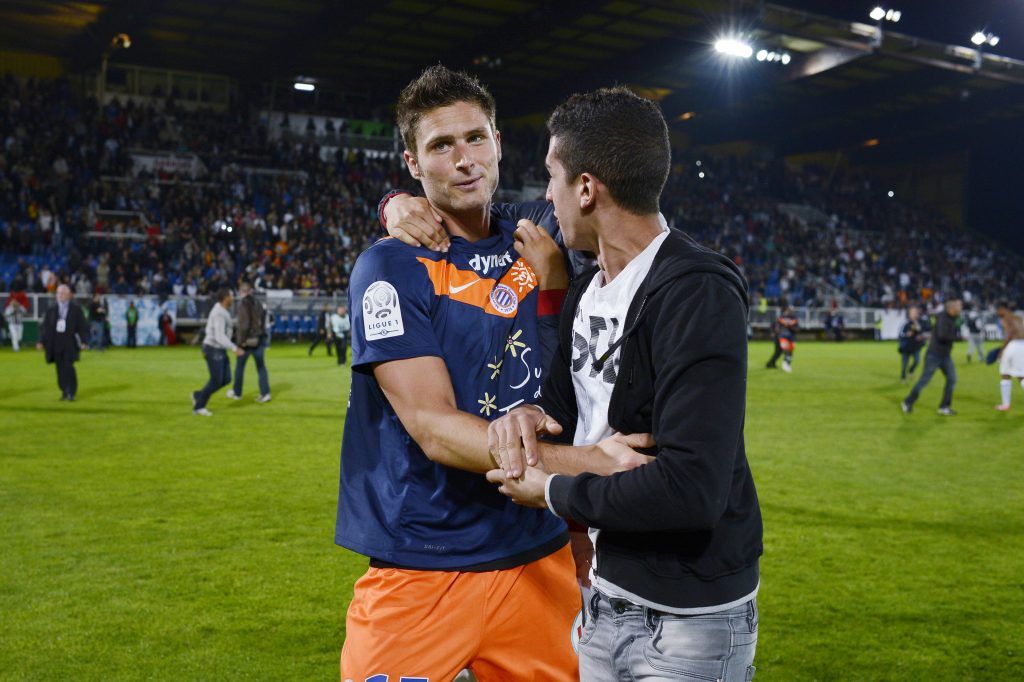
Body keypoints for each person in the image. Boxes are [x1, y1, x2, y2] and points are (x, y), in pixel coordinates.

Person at [336, 65, 643, 682]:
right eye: (440, 146)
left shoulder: (540, 230)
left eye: (476, 138)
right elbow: (432, 427)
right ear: (413, 164)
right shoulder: (391, 268)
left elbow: (626, 197)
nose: (464, 159)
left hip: (540, 554)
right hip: (424, 562)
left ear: (499, 144)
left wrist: (555, 281)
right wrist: (591, 464)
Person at [485, 86, 761, 682]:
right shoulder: (587, 289)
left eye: (553, 177)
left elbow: (692, 489)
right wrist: (528, 416)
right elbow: (560, 408)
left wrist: (553, 490)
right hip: (601, 595)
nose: (546, 197)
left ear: (586, 188)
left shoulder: (697, 290)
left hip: (686, 616)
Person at [902, 296, 962, 415]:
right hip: (934, 355)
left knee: (952, 379)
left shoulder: (952, 317)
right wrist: (957, 337)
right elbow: (942, 335)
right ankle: (907, 402)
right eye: (959, 306)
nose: (960, 308)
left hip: (945, 355)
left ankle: (944, 407)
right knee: (924, 381)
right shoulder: (943, 318)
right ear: (952, 308)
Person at [191, 288, 244, 416]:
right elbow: (219, 336)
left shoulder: (222, 310)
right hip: (213, 348)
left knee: (226, 379)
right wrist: (234, 348)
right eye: (231, 296)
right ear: (225, 298)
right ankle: (199, 407)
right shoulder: (219, 313)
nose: (233, 298)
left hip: (218, 348)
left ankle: (198, 395)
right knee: (216, 380)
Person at [37, 284, 89, 400]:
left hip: (69, 343)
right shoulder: (51, 310)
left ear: (69, 295)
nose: (60, 295)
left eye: (63, 293)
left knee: (69, 367)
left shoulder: (76, 309)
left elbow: (82, 326)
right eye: (59, 293)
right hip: (55, 344)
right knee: (60, 369)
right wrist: (41, 342)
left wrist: (84, 341)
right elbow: (45, 328)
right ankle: (64, 391)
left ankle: (71, 392)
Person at [227, 282, 271, 403]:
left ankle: (237, 393)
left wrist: (240, 342)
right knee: (261, 367)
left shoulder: (242, 304)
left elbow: (244, 325)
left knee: (240, 367)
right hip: (259, 339)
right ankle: (265, 393)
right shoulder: (258, 303)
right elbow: (263, 320)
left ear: (241, 292)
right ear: (250, 291)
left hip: (247, 341)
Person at [993, 302, 1024, 411]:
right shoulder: (1018, 318)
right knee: (1021, 375)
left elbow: (1009, 333)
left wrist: (1002, 350)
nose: (997, 312)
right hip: (1022, 345)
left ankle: (1005, 405)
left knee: (1005, 373)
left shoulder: (1006, 318)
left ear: (1002, 309)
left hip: (1013, 345)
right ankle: (1005, 405)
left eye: (998, 310)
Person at [898, 305, 925, 383]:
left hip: (915, 346)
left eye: (915, 313)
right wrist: (906, 334)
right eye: (912, 313)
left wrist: (920, 337)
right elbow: (900, 334)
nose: (914, 314)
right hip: (906, 346)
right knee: (904, 364)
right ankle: (903, 377)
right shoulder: (905, 323)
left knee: (917, 361)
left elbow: (922, 333)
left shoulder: (919, 323)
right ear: (909, 314)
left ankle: (911, 370)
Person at [766, 306, 798, 372]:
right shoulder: (781, 318)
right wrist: (774, 332)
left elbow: (796, 329)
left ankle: (771, 363)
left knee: (779, 352)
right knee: (781, 351)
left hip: (786, 337)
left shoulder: (791, 318)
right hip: (779, 337)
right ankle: (771, 363)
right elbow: (774, 326)